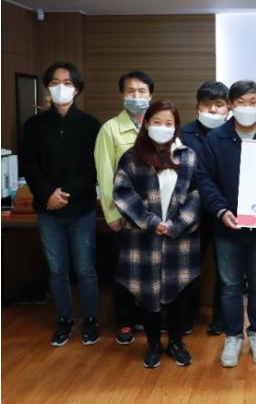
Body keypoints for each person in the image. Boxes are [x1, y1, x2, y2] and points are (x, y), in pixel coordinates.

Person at [197, 80, 256, 368]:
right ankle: (233, 336)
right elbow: (205, 179)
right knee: (230, 285)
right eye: (241, 102)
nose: (248, 108)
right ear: (231, 105)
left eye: (253, 102)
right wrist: (220, 210)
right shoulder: (215, 139)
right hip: (227, 227)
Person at [113, 100, 201, 368]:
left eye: (169, 123)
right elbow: (122, 194)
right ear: (147, 124)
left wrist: (175, 225)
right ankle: (153, 344)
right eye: (157, 122)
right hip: (143, 237)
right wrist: (151, 222)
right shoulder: (131, 157)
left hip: (180, 238)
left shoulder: (188, 156)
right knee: (147, 293)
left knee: (179, 293)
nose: (163, 127)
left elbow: (197, 196)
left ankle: (176, 342)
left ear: (176, 126)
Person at [21, 61, 101, 347]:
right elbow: (29, 165)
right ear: (47, 88)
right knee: (56, 269)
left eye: (67, 83)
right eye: (54, 83)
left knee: (85, 268)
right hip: (48, 210)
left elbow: (93, 167)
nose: (60, 88)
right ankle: (65, 319)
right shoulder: (33, 125)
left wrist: (64, 193)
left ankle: (90, 319)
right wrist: (47, 195)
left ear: (76, 89)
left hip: (81, 209)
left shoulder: (91, 124)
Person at [94, 71, 154, 345]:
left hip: (152, 214)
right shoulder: (110, 129)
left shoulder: (157, 125)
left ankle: (146, 317)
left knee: (149, 268)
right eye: (131, 91)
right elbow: (105, 174)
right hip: (125, 214)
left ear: (150, 95)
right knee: (124, 270)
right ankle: (125, 320)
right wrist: (112, 213)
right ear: (122, 95)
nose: (136, 96)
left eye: (142, 91)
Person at [180, 81, 230, 336]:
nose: (212, 110)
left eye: (219, 105)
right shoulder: (182, 135)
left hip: (224, 211)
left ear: (228, 108)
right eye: (207, 104)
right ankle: (188, 316)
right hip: (191, 211)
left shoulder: (234, 133)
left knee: (225, 267)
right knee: (190, 266)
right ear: (197, 106)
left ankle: (221, 318)